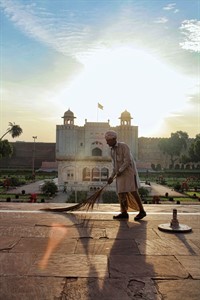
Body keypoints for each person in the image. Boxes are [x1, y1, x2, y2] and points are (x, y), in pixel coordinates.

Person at [105, 130, 146, 221]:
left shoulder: (123, 146)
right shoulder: (111, 151)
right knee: (121, 193)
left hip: (129, 173)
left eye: (108, 140)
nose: (106, 142)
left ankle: (142, 211)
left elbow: (127, 160)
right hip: (120, 173)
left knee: (133, 191)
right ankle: (124, 212)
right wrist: (111, 176)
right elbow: (114, 166)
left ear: (114, 139)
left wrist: (120, 170)